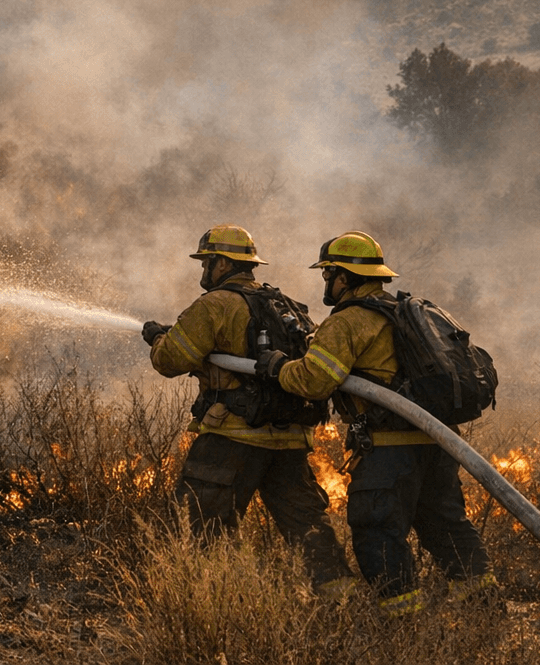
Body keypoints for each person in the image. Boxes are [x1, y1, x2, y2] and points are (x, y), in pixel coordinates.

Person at [259, 231, 495, 617]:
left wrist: (278, 368)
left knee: (377, 531)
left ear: (346, 277)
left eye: (329, 274)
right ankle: (484, 607)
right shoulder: (403, 313)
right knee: (446, 526)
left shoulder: (349, 322)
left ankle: (401, 624)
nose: (326, 282)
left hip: (389, 451)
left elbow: (314, 382)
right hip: (437, 445)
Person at [145, 225, 354, 595]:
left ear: (222, 263)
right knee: (307, 524)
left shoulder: (214, 305)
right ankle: (340, 598)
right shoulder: (285, 304)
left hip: (231, 439)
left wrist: (158, 337)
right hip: (288, 438)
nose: (204, 271)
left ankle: (201, 600)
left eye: (207, 262)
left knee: (198, 527)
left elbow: (170, 359)